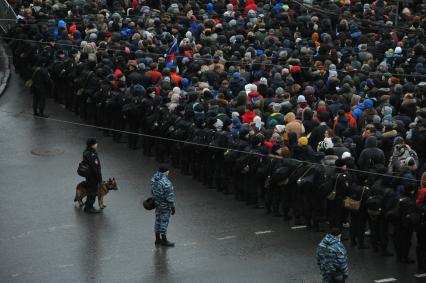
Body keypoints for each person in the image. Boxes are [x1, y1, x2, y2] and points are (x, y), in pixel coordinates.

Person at [151, 166, 176, 247]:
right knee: (164, 222)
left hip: (157, 203)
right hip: (165, 205)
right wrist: (172, 206)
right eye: (168, 171)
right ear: (165, 172)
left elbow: (152, 191)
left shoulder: (154, 179)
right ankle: (164, 240)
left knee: (157, 220)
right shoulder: (166, 182)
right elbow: (170, 196)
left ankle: (157, 239)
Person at [82, 138, 103, 214]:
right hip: (93, 177)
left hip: (88, 175)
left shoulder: (86, 151)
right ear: (92, 145)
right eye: (96, 143)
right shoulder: (92, 154)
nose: (97, 144)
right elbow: (95, 168)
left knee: (91, 191)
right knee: (92, 192)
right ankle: (89, 208)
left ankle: (89, 206)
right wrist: (100, 179)